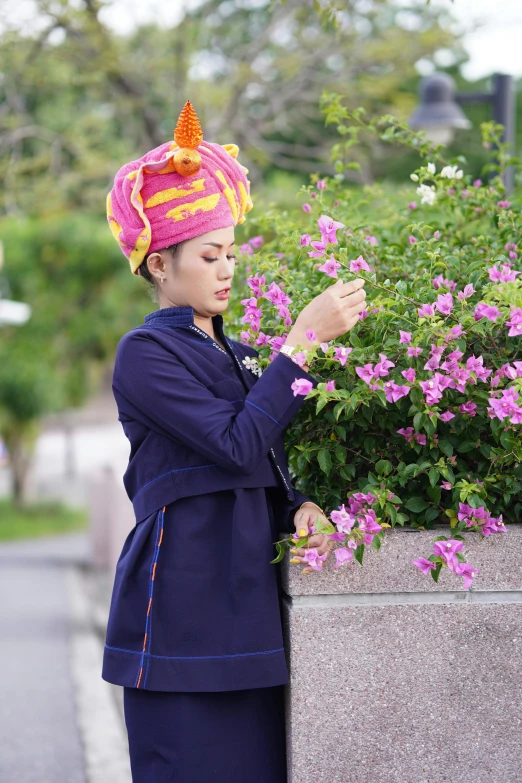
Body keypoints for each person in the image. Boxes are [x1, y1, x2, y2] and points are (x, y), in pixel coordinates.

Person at [102, 100, 367, 782]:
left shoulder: (245, 356)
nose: (226, 271)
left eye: (230, 256)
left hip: (248, 610)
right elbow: (236, 443)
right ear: (159, 264)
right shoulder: (144, 354)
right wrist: (303, 340)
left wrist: (300, 506)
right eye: (209, 255)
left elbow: (264, 464)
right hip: (181, 613)